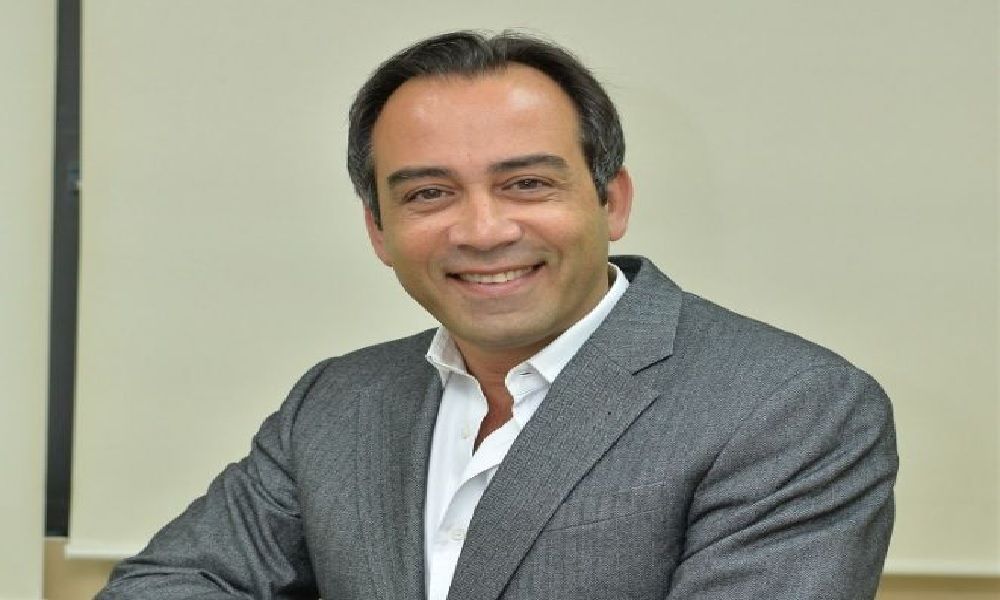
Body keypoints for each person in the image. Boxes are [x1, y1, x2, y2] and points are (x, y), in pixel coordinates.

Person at [97, 30, 897, 600]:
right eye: (428, 194)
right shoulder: (337, 401)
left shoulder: (792, 407)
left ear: (611, 202)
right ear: (379, 231)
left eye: (527, 185)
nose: (482, 231)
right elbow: (166, 585)